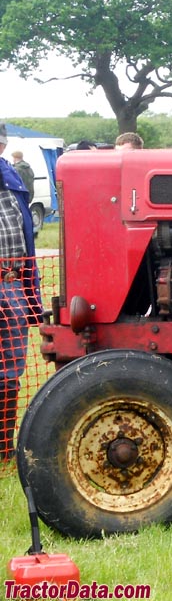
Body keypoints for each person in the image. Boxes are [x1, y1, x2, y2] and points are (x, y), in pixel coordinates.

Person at [0, 124, 41, 461]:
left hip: (10, 283)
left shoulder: (13, 179)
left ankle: (2, 447)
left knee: (11, 373)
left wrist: (33, 299)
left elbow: (27, 243)